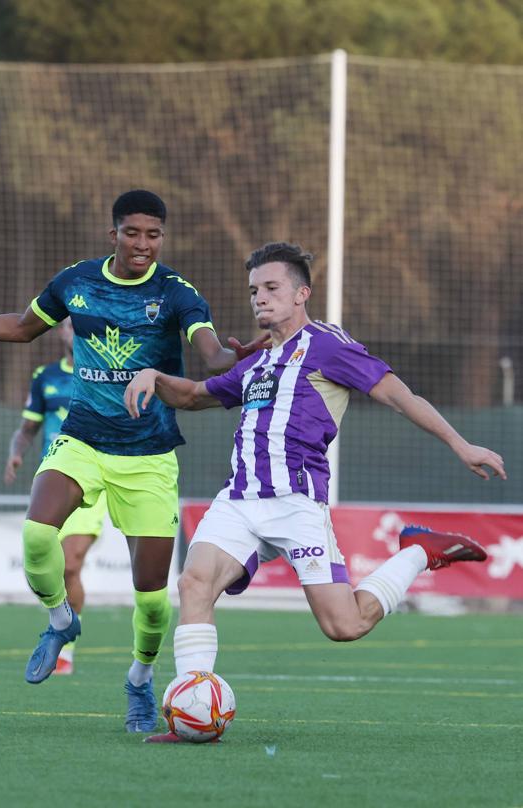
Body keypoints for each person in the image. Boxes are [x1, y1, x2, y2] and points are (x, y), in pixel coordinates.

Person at [0, 189, 267, 733]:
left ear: (161, 238)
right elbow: (22, 326)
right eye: (132, 232)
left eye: (153, 234)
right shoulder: (76, 282)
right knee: (35, 536)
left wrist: (233, 358)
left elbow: (210, 351)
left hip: (149, 457)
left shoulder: (176, 293)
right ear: (113, 234)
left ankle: (141, 681)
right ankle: (59, 621)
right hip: (83, 442)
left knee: (151, 605)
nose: (143, 244)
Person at [123, 241, 507, 743]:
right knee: (194, 584)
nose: (260, 298)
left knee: (343, 625)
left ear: (302, 292)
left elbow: (398, 395)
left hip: (296, 504)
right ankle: (191, 713)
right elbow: (197, 395)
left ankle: (417, 552)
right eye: (254, 290)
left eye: (272, 288)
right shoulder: (258, 361)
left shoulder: (327, 344)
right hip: (238, 500)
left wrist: (460, 444)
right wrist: (155, 376)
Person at [4, 318, 107, 675]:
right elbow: (28, 427)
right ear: (61, 332)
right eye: (68, 326)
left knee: (71, 563)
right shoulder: (45, 376)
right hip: (55, 481)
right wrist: (16, 451)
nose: (74, 331)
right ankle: (62, 625)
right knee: (51, 568)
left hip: (94, 480)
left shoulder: (108, 373)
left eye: (81, 326)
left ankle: (67, 646)